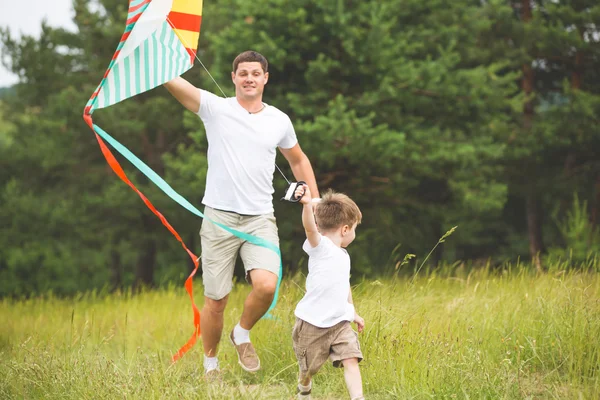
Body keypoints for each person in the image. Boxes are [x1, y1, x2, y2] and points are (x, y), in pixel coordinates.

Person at [164, 51, 319, 375]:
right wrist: (155, 62)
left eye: (255, 73)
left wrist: (315, 202)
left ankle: (242, 332)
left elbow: (298, 160)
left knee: (265, 286)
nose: (249, 78)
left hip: (260, 217)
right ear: (233, 77)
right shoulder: (216, 109)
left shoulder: (279, 120)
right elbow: (175, 85)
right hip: (219, 217)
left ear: (265, 78)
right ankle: (211, 365)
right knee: (216, 300)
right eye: (243, 72)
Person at [292, 185, 366, 400]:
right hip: (312, 324)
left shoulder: (344, 256)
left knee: (351, 358)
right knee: (308, 370)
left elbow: (344, 287)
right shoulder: (321, 247)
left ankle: (358, 397)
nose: (354, 233)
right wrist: (307, 205)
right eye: (354, 228)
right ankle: (304, 388)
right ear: (345, 229)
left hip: (340, 323)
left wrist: (353, 313)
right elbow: (310, 229)